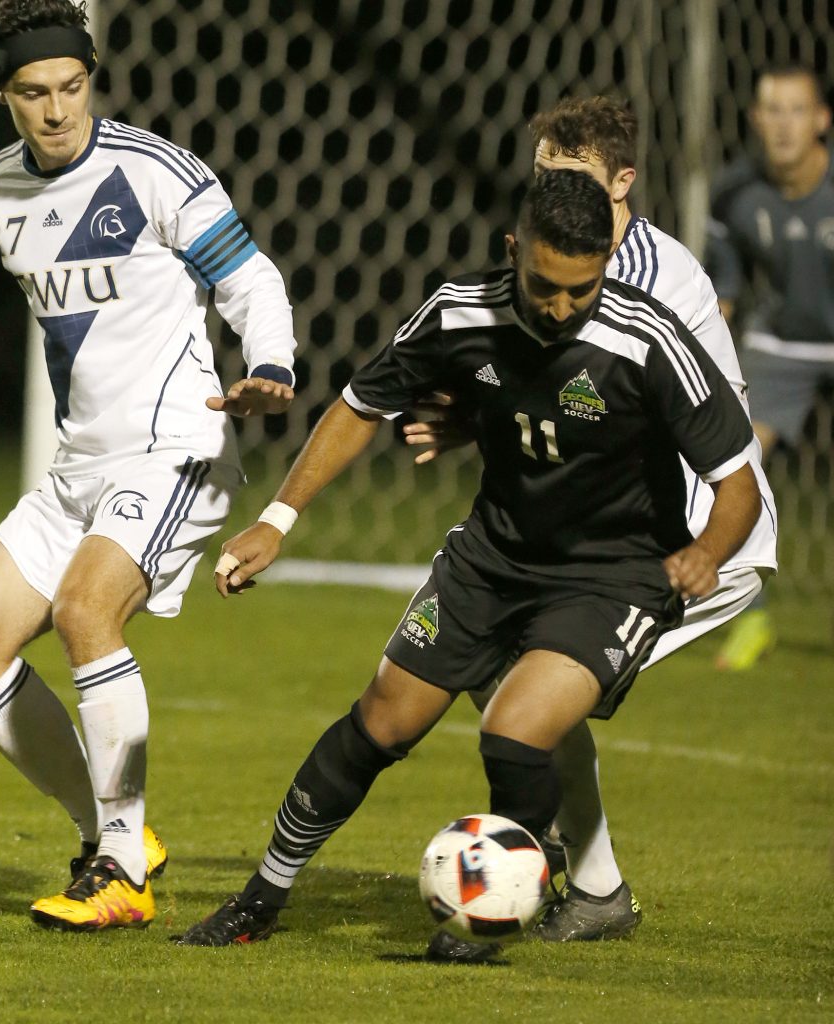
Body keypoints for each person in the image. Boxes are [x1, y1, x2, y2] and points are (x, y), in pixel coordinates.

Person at [174, 169, 762, 952]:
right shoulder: (460, 312)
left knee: (514, 730)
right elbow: (360, 405)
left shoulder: (646, 338)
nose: (560, 308)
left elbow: (739, 482)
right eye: (545, 285)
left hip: (612, 576)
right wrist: (277, 520)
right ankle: (261, 900)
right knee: (382, 720)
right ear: (514, 250)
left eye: (579, 292)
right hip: (490, 560)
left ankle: (492, 917)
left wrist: (709, 551)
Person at [0, 0, 296, 932]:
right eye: (33, 93)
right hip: (79, 464)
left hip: (174, 445)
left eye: (72, 86)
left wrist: (270, 365)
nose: (57, 110)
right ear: (5, 97)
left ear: (91, 78)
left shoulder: (151, 171)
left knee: (86, 611)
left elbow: (249, 277)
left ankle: (121, 870)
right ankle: (111, 829)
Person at [403, 96, 778, 957]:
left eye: (571, 183)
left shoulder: (647, 278)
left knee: (520, 676)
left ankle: (584, 873)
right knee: (513, 677)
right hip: (609, 533)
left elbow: (622, 410)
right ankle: (581, 864)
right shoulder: (576, 260)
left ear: (623, 184)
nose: (551, 197)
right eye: (543, 178)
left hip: (693, 536)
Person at [706, 63, 834, 670]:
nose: (784, 125)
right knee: (723, 464)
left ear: (822, 121)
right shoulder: (734, 193)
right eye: (772, 111)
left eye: (797, 110)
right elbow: (724, 293)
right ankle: (747, 615)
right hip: (781, 344)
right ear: (756, 120)